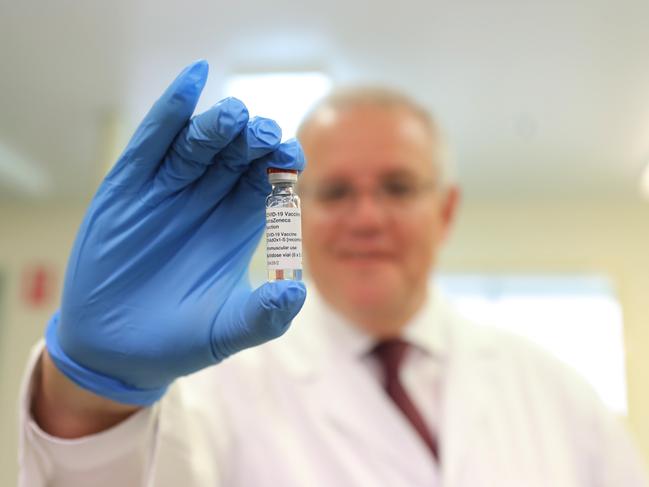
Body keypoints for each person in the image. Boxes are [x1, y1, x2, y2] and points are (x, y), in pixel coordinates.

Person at [18, 60, 647, 486]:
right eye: (336, 190)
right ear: (293, 209)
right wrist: (93, 389)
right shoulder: (212, 390)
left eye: (398, 187)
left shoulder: (558, 393)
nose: (366, 218)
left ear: (446, 210)